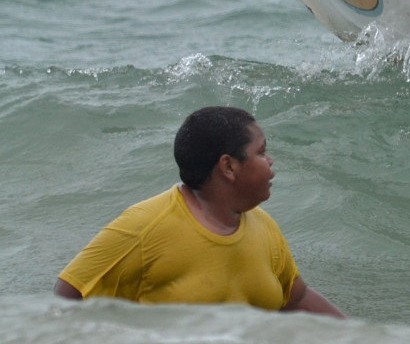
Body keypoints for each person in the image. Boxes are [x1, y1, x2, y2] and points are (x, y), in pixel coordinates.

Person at [54, 106, 345, 317]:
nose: (270, 161)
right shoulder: (145, 226)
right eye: (261, 152)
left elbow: (297, 300)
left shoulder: (264, 227)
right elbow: (66, 297)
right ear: (229, 166)